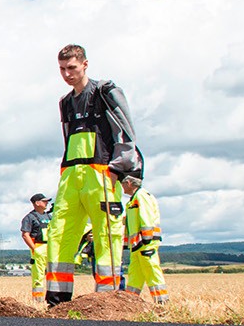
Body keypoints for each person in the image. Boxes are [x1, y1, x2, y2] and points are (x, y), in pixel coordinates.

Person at [44, 45, 136, 306]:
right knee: (59, 232)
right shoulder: (65, 102)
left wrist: (120, 168)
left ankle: (107, 300)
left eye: (71, 67)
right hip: (70, 174)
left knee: (107, 235)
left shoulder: (105, 92)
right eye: (62, 69)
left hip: (101, 172)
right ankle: (57, 300)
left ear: (85, 64)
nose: (67, 74)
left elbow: (125, 130)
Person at [116, 167, 168, 304]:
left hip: (146, 244)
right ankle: (131, 303)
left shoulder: (142, 196)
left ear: (128, 183)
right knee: (135, 276)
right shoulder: (132, 200)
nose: (122, 187)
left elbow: (147, 218)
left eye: (122, 184)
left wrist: (146, 239)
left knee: (152, 272)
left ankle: (162, 303)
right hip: (137, 245)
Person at [20, 193, 52, 301]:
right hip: (39, 247)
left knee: (53, 275)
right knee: (38, 276)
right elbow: (25, 234)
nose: (47, 203)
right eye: (44, 201)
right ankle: (38, 301)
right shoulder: (29, 218)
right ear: (37, 203)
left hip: (51, 247)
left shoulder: (49, 216)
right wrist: (34, 249)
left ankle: (51, 299)